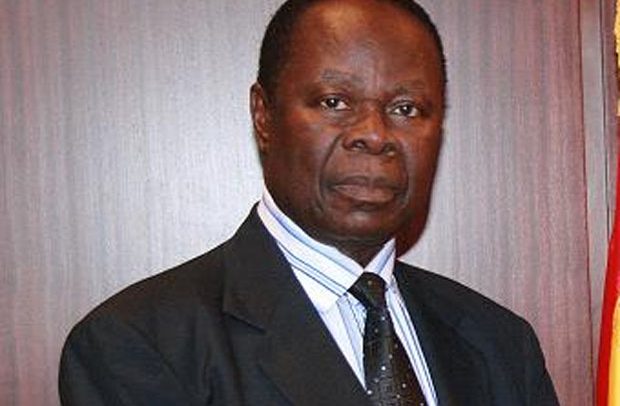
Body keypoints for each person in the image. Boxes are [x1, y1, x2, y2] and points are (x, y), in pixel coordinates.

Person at [58, 0, 560, 405]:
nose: (374, 135)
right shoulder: (140, 345)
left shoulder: (500, 345)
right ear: (264, 116)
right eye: (334, 101)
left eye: (406, 108)